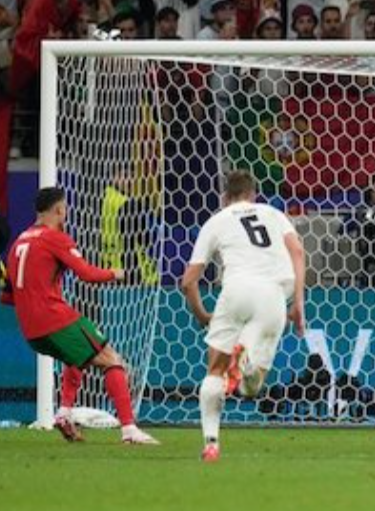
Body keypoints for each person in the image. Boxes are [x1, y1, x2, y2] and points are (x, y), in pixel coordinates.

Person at [1, 187, 157, 445]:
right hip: (53, 318)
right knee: (111, 359)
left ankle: (63, 413)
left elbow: (8, 297)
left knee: (79, 356)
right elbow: (87, 274)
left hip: (31, 331)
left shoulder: (19, 243)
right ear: (59, 210)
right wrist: (116, 273)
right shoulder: (55, 238)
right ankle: (130, 430)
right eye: (65, 207)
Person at [181, 170, 306, 462]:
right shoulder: (273, 213)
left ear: (225, 198)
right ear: (253, 195)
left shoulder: (217, 220)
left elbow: (188, 281)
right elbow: (298, 251)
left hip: (235, 291)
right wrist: (298, 302)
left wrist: (201, 314)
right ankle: (246, 364)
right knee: (252, 389)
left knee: (215, 372)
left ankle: (211, 443)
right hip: (273, 296)